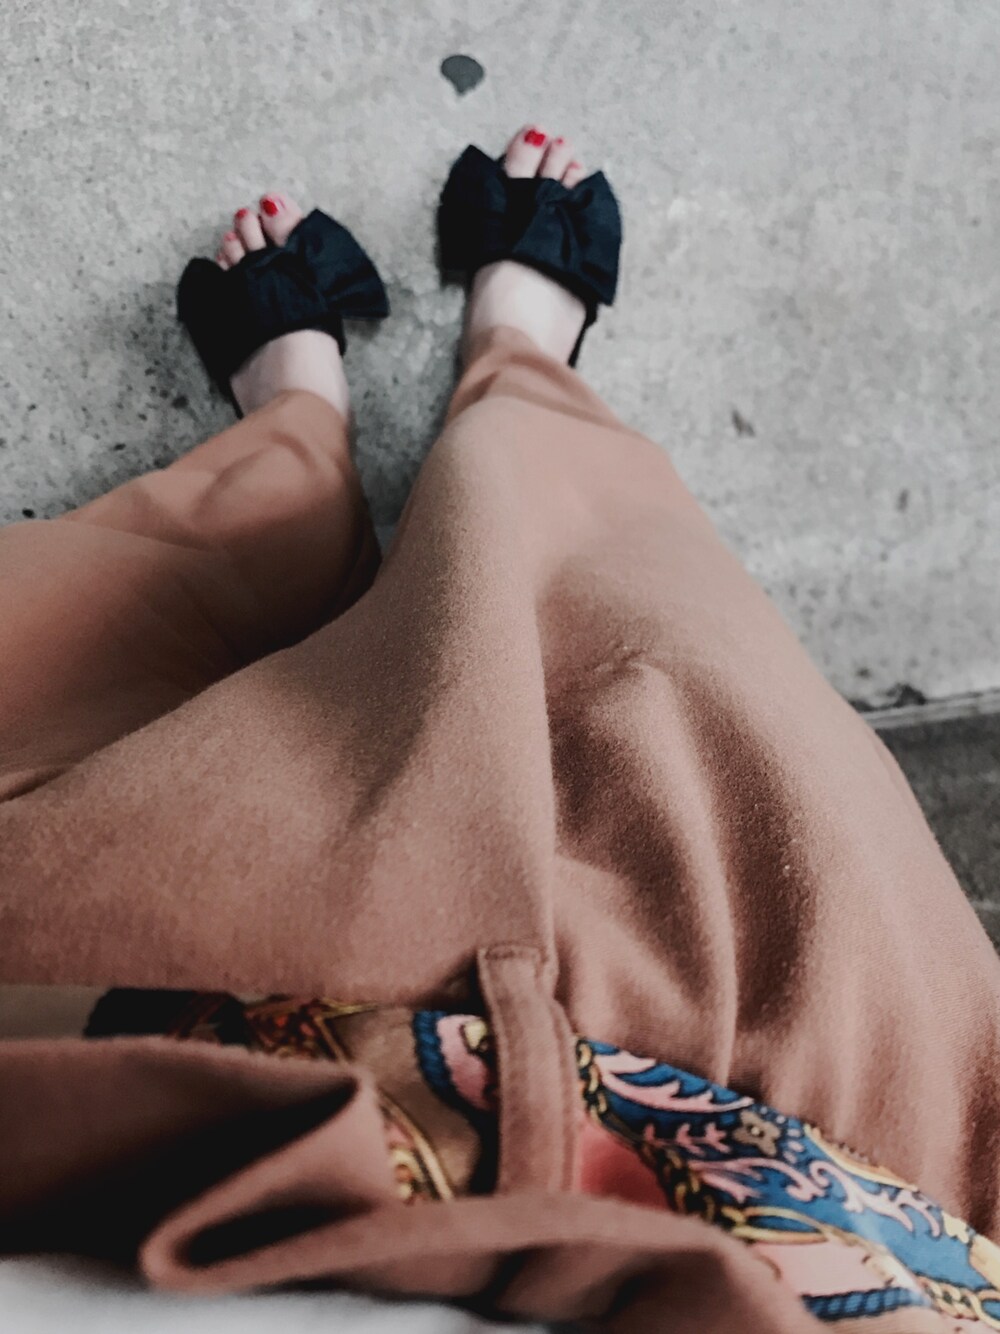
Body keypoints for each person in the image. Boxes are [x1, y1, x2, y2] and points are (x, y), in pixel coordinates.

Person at [0, 124, 999, 1333]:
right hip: (833, 1167)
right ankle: (517, 379)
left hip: (134, 1049)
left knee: (99, 687)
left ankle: (291, 454)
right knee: (663, 665)